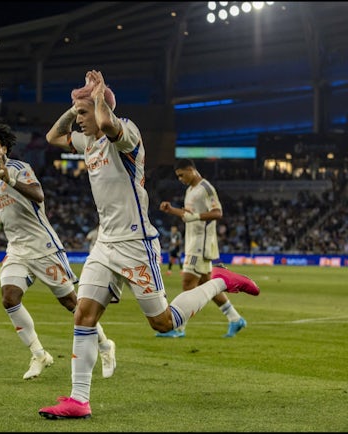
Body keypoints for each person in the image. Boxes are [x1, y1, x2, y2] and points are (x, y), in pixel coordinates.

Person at [38, 70, 259, 419]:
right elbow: (53, 136)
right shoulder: (88, 143)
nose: (78, 122)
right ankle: (79, 400)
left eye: (83, 115)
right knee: (84, 313)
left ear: (101, 109)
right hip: (106, 244)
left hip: (136, 244)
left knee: (164, 322)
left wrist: (97, 99)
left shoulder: (126, 133)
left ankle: (219, 280)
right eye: (78, 115)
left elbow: (109, 126)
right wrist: (76, 104)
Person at [0, 123, 117, 381]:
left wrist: (12, 179)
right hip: (17, 249)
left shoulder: (19, 168)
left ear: (4, 148)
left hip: (43, 247)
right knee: (9, 298)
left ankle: (106, 346)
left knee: (72, 303)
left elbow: (38, 196)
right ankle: (39, 354)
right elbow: (12, 215)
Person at [157, 158, 247, 338]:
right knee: (207, 285)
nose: (180, 179)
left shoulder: (206, 188)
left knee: (188, 283)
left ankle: (179, 328)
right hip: (192, 240)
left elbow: (217, 212)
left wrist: (196, 217)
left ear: (191, 170)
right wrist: (172, 210)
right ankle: (235, 319)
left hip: (201, 243)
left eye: (182, 175)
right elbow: (188, 215)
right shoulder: (190, 190)